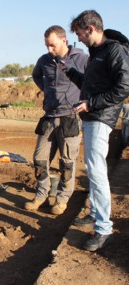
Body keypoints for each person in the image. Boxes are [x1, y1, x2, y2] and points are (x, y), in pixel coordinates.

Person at [69, 10, 129, 251]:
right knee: (93, 168)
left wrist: (91, 103)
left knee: (96, 170)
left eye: (80, 34)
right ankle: (95, 213)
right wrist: (72, 74)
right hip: (92, 115)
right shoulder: (97, 54)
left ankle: (104, 229)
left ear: (91, 28)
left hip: (101, 117)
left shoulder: (114, 51)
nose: (79, 39)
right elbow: (93, 85)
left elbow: (124, 87)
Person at [25, 25, 88, 215]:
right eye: (47, 46)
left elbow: (92, 80)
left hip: (70, 117)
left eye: (52, 46)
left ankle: (62, 199)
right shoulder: (44, 60)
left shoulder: (81, 58)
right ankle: (41, 195)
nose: (49, 50)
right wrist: (47, 90)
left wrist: (85, 98)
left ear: (64, 41)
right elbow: (36, 75)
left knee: (67, 163)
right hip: (50, 116)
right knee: (39, 159)